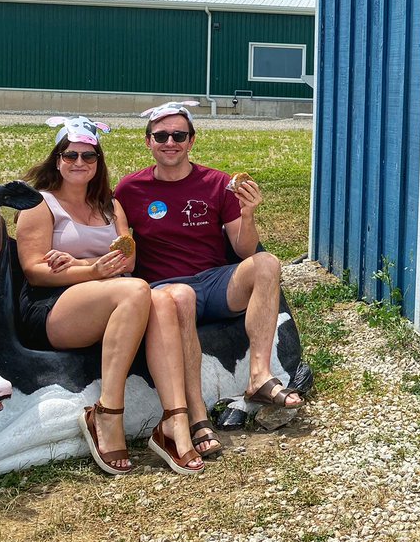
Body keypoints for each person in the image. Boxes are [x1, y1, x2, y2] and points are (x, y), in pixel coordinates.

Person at [15, 115, 204, 476]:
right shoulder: (40, 204)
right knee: (137, 289)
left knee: (161, 299)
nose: (79, 163)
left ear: (98, 163)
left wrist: (82, 261)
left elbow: (127, 255)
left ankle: (174, 421)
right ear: (57, 159)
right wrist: (91, 270)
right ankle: (107, 411)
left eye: (89, 157)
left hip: (108, 295)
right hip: (53, 306)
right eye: (71, 156)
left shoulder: (109, 205)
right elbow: (34, 270)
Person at [114, 101, 302, 454]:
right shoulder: (128, 190)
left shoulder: (217, 184)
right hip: (164, 289)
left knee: (266, 263)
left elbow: (245, 250)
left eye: (179, 135)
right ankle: (197, 416)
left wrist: (247, 214)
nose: (170, 142)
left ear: (192, 140)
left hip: (214, 281)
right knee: (180, 296)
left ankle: (259, 375)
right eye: (161, 136)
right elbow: (117, 242)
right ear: (148, 142)